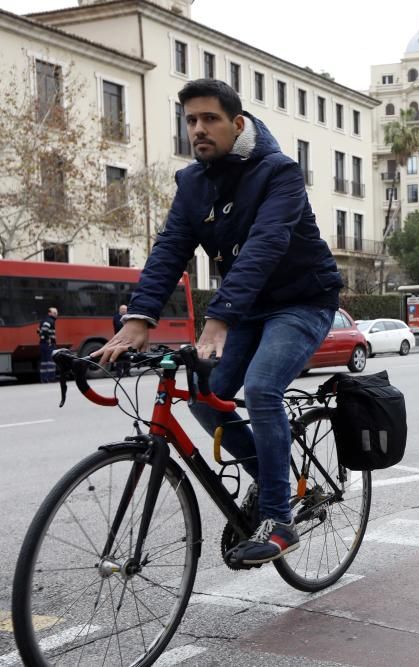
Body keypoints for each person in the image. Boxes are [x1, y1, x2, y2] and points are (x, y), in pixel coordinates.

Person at [95, 79, 343, 567]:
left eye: (209, 119)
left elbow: (265, 245)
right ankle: (274, 476)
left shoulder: (279, 172)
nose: (198, 129)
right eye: (190, 120)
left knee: (263, 388)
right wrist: (140, 317)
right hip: (249, 309)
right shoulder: (192, 183)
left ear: (237, 123)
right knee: (206, 395)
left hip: (302, 301)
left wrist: (219, 318)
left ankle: (278, 520)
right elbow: (170, 250)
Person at [38, 307, 58, 383]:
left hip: (42, 344)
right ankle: (51, 378)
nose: (56, 315)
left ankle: (43, 379)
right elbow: (44, 330)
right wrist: (48, 339)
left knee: (44, 362)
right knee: (51, 361)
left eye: (56, 313)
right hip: (49, 345)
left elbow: (38, 331)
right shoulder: (49, 321)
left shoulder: (43, 321)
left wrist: (42, 337)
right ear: (49, 313)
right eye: (54, 313)